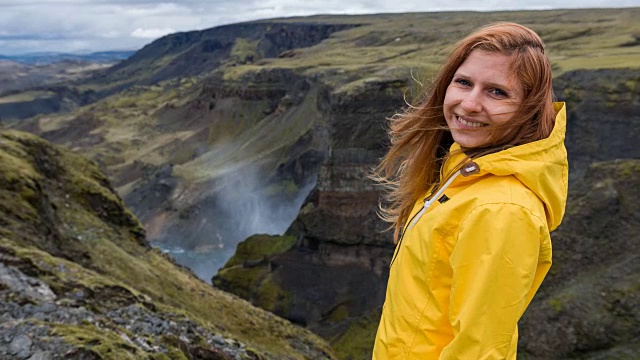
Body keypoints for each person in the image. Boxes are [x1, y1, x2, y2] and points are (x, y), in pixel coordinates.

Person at [372, 22, 568, 359]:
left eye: (497, 92)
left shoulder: (501, 210)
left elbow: (478, 351)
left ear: (528, 108)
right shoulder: (462, 170)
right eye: (464, 82)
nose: (470, 104)